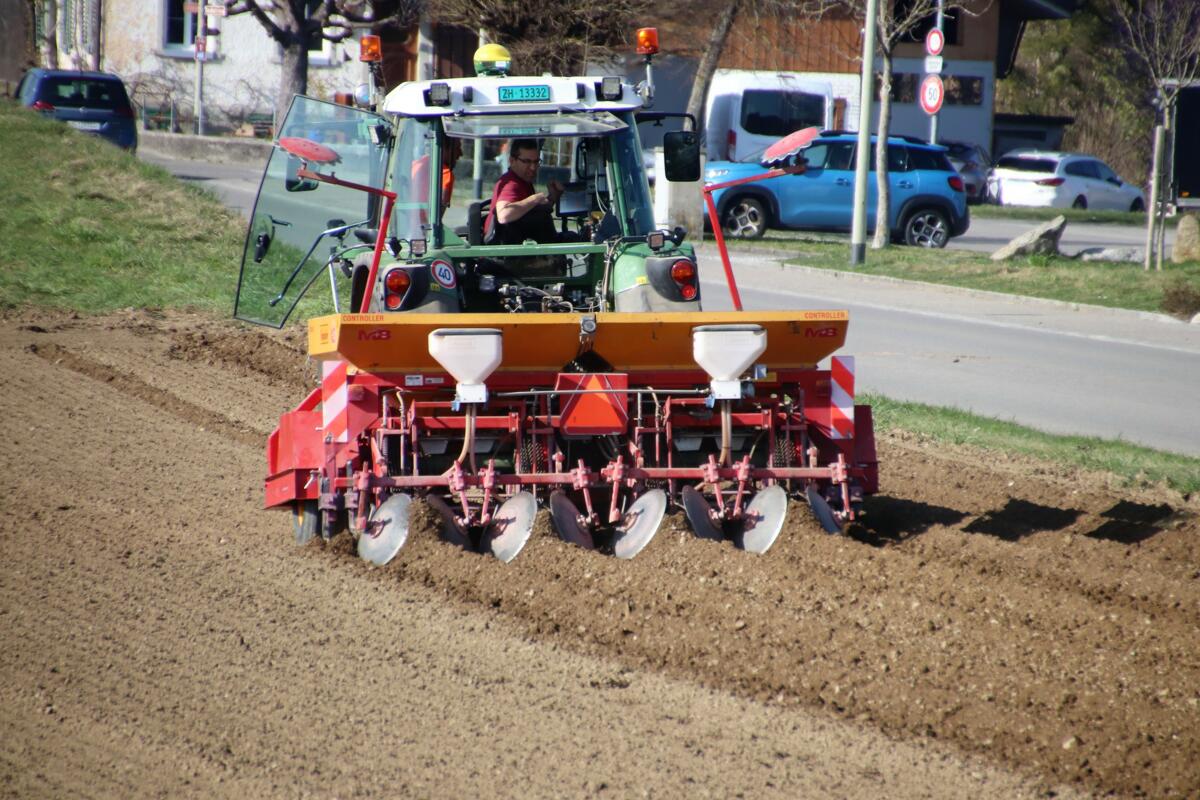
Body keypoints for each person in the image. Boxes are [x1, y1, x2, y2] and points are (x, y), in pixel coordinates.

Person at [484, 138, 564, 245]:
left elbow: (531, 214)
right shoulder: (511, 183)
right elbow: (504, 215)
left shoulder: (524, 182)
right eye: (527, 162)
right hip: (503, 255)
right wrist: (535, 199)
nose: (533, 167)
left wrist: (553, 197)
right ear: (512, 161)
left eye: (536, 162)